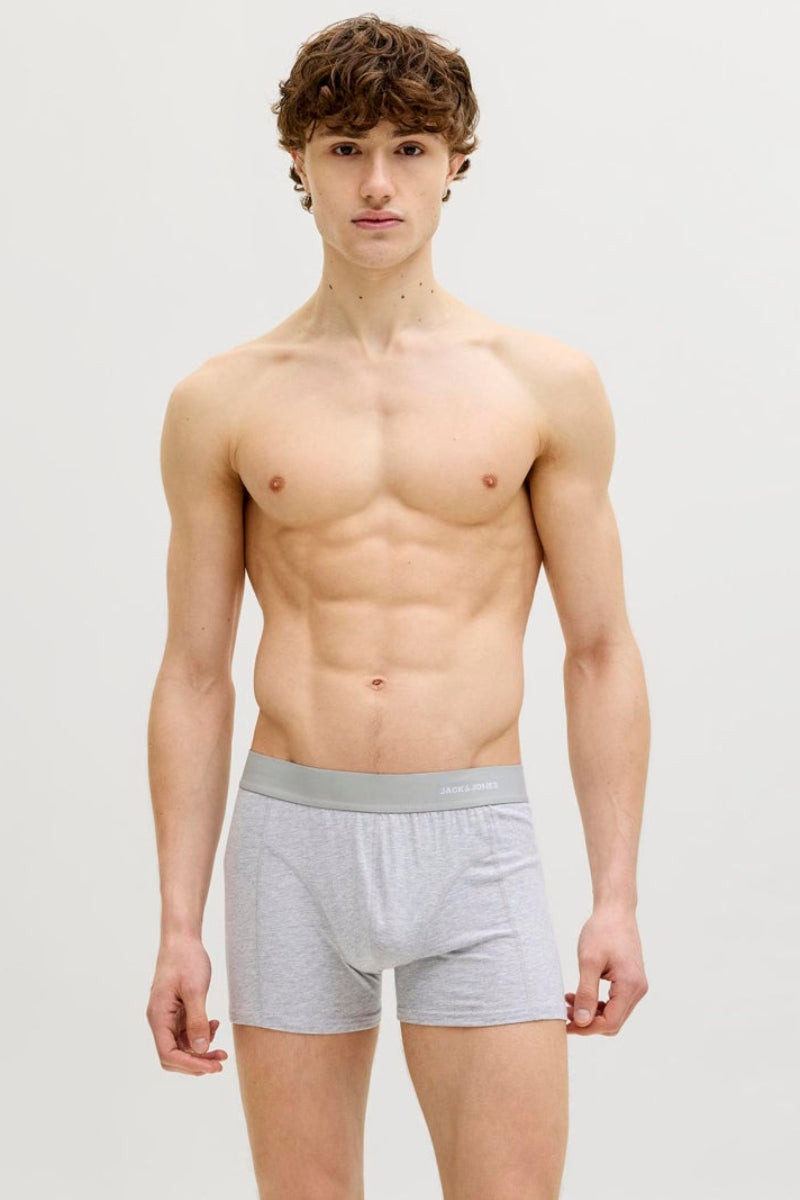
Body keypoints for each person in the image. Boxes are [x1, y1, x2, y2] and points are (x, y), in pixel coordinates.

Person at [146, 13, 650, 1199]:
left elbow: (597, 650)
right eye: (344, 149)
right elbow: (194, 672)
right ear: (299, 161)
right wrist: (177, 922)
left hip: (474, 842)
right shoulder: (221, 400)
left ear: (454, 161)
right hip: (289, 844)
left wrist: (615, 898)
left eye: (409, 149)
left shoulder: (542, 385)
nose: (376, 183)